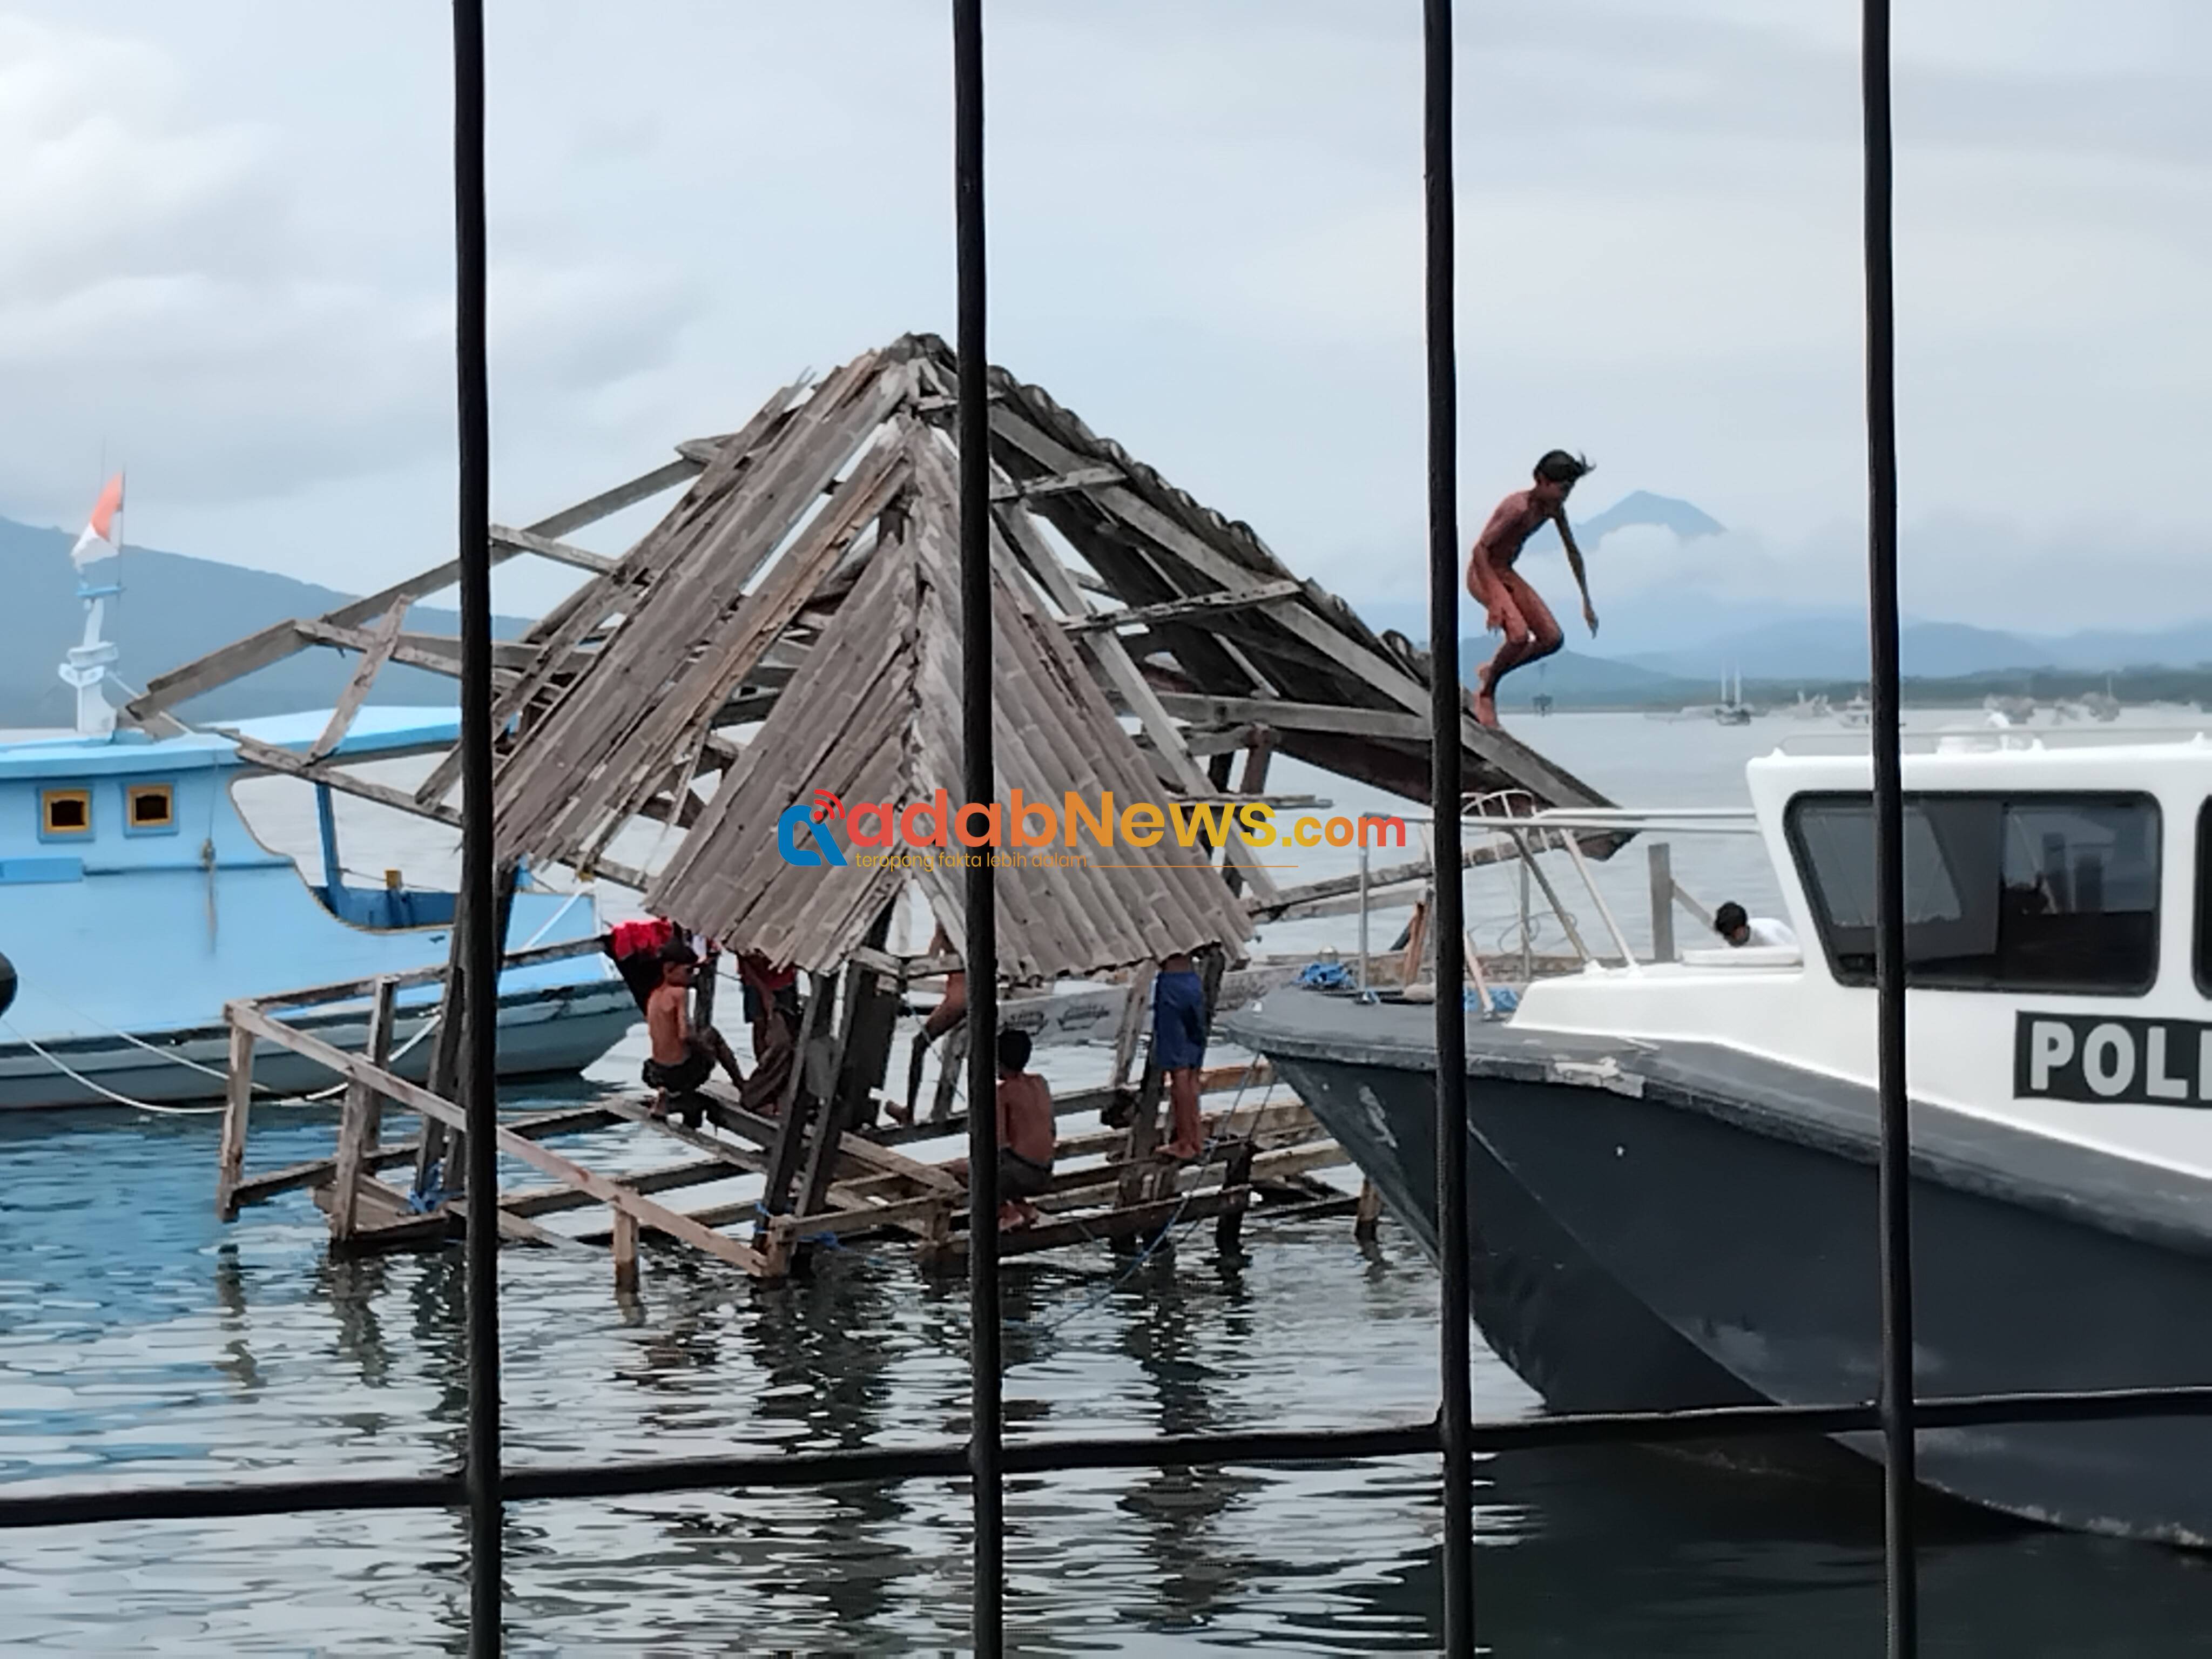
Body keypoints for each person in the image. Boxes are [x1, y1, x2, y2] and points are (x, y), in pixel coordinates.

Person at [1467, 449, 1597, 727]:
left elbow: (1573, 552)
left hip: (1505, 572)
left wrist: (1586, 601)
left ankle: (1492, 670)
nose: (1565, 496)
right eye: (1562, 488)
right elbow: (1480, 550)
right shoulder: (1518, 508)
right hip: (1483, 572)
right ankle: (1486, 693)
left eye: (1570, 489)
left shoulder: (1553, 509)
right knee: (1517, 636)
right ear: (1541, 480)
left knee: (1552, 638)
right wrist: (1496, 599)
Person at [947, 1028, 1056, 1230]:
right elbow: (1051, 1128)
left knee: (959, 1169)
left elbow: (995, 1142)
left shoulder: (1003, 1092)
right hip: (1046, 1172)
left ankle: (1007, 1213)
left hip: (1023, 1174)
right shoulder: (1041, 1083)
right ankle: (1024, 1209)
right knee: (1008, 1164)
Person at [642, 941, 744, 1122]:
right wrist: (704, 1047)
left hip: (655, 1072)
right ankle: (741, 1086)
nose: (692, 977)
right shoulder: (679, 993)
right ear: (669, 970)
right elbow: (684, 1033)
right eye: (688, 971)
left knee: (691, 1049)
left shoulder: (654, 996)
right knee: (712, 1036)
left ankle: (664, 1092)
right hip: (680, 1073)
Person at [1154, 951, 1209, 1161]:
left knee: (1179, 1072)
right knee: (1193, 1068)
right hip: (1192, 981)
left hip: (1172, 984)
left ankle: (1185, 1143)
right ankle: (1196, 1140)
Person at [1712, 901, 1798, 950]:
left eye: (1729, 936)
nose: (1727, 940)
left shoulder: (1768, 938)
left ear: (1741, 930)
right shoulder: (1729, 942)